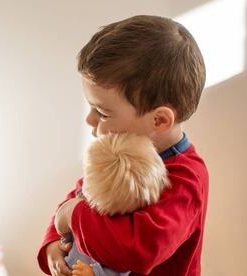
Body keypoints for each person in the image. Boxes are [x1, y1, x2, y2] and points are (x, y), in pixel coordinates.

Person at [37, 15, 208, 276]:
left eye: (102, 112)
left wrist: (73, 216)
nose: (89, 120)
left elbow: (138, 249)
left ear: (159, 120)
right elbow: (83, 194)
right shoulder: (117, 153)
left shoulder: (185, 179)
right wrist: (54, 241)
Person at [55, 132, 171, 276]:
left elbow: (120, 269)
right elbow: (64, 218)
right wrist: (61, 241)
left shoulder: (123, 229)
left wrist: (94, 273)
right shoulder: (89, 189)